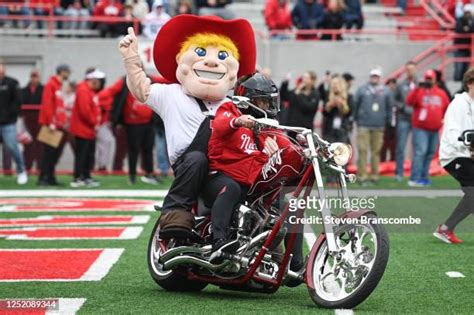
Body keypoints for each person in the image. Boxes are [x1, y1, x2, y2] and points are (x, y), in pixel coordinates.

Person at [118, 15, 256, 238]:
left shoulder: (233, 104)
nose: (212, 62)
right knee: (196, 159)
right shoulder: (171, 94)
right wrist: (132, 59)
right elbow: (141, 88)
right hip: (189, 164)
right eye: (201, 53)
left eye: (222, 56)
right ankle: (175, 213)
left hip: (223, 168)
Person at [206, 72, 305, 277]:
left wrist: (305, 150)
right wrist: (239, 121)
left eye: (270, 101)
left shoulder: (268, 126)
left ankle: (296, 265)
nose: (268, 106)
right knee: (231, 188)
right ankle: (219, 243)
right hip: (221, 176)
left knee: (291, 207)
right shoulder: (229, 110)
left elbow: (287, 146)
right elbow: (221, 124)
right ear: (248, 99)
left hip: (251, 184)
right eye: (262, 101)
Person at [434, 68, 474, 244]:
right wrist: (468, 145)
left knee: (472, 195)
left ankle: (446, 229)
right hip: (454, 155)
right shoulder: (458, 104)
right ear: (470, 83)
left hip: (466, 154)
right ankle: (446, 229)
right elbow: (452, 134)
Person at [406, 70, 450, 187]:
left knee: (430, 153)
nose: (428, 80)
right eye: (427, 78)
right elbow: (409, 102)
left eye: (430, 78)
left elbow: (447, 107)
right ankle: (414, 178)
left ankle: (424, 177)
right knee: (420, 152)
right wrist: (417, 89)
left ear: (435, 79)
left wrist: (443, 118)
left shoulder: (441, 93)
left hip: (435, 129)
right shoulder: (419, 91)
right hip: (421, 128)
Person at [353, 67, 392, 185]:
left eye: (377, 76)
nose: (374, 78)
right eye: (373, 76)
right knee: (363, 150)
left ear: (380, 78)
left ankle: (375, 175)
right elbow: (356, 105)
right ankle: (362, 175)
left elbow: (389, 107)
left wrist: (388, 122)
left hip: (379, 125)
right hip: (364, 124)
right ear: (370, 77)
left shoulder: (385, 91)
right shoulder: (362, 89)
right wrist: (356, 120)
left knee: (376, 152)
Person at [69, 69, 105, 188]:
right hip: (83, 129)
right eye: (98, 80)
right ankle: (78, 177)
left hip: (88, 130)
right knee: (82, 154)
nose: (100, 82)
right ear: (92, 79)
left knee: (89, 154)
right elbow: (85, 111)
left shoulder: (89, 90)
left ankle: (86, 175)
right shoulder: (83, 90)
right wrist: (94, 122)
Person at [38, 64, 71, 186]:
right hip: (50, 125)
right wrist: (50, 122)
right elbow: (47, 104)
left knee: (54, 153)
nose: (68, 74)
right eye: (67, 72)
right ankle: (43, 178)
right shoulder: (51, 84)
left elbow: (59, 106)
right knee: (48, 153)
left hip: (58, 125)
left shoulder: (59, 86)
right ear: (62, 72)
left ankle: (50, 177)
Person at [0, 63, 28, 185]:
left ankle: (21, 171)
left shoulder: (12, 82)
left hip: (8, 123)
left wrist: (10, 116)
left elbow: (17, 102)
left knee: (12, 147)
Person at [393, 61, 417, 181]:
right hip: (404, 118)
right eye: (408, 70)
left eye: (412, 69)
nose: (410, 72)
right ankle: (399, 172)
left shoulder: (420, 85)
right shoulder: (400, 85)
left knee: (417, 147)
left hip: (417, 120)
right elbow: (394, 100)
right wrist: (402, 107)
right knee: (401, 147)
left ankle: (415, 173)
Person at [280, 71, 320, 138]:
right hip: (292, 126)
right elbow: (285, 96)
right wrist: (285, 83)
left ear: (312, 81)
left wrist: (299, 95)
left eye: (306, 78)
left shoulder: (315, 94)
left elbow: (308, 107)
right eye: (303, 77)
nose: (304, 80)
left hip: (305, 128)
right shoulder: (297, 90)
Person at [21, 69, 44, 172]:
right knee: (28, 144)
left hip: (40, 121)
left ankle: (40, 167)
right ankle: (27, 167)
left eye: (36, 76)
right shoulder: (23, 90)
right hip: (27, 121)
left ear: (39, 77)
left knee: (40, 145)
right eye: (32, 76)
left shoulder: (44, 89)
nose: (34, 78)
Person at [453, 5, 474, 81]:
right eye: (466, 12)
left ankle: (463, 83)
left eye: (469, 12)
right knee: (459, 68)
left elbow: (471, 29)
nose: (468, 14)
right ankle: (457, 81)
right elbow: (459, 29)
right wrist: (467, 29)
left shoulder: (472, 20)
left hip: (468, 47)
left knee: (466, 68)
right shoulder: (459, 19)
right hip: (460, 47)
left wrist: (467, 29)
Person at [380, 78, 397, 162]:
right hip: (386, 123)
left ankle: (392, 161)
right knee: (384, 144)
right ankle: (382, 161)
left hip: (395, 123)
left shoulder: (396, 96)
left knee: (393, 145)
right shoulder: (383, 96)